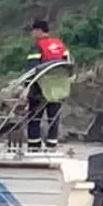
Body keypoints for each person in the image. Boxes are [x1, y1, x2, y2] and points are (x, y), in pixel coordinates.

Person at [25, 19, 70, 152]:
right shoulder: (61, 45)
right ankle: (52, 147)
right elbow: (68, 65)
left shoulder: (38, 46)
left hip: (40, 89)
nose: (32, 34)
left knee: (34, 118)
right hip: (58, 89)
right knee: (53, 118)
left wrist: (27, 87)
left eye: (33, 31)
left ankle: (34, 148)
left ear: (38, 31)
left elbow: (31, 69)